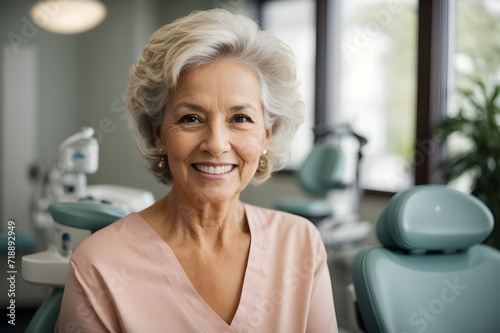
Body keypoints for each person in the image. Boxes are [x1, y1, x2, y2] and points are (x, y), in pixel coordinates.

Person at [57, 8, 338, 333]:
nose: (216, 144)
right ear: (159, 134)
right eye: (191, 118)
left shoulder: (300, 244)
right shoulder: (99, 264)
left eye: (240, 118)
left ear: (266, 136)